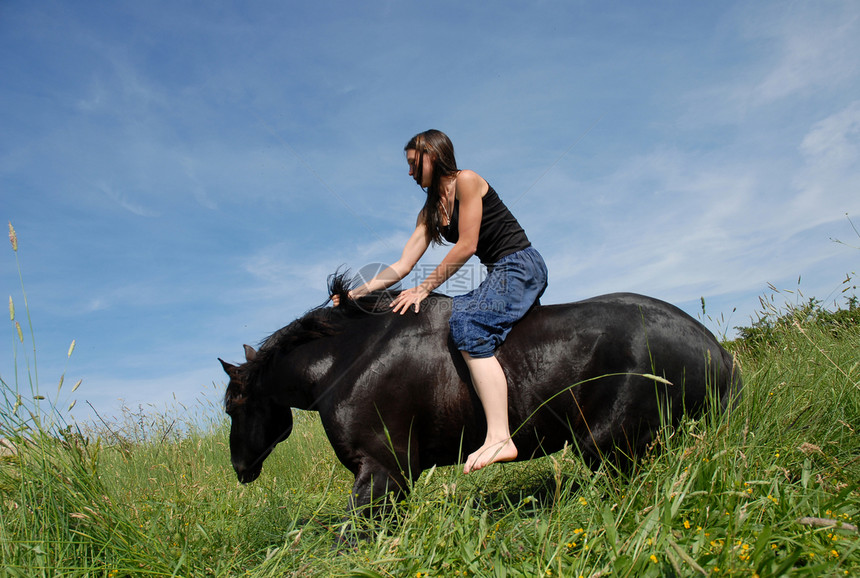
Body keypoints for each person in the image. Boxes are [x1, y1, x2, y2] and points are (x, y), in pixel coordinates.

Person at [335, 129, 548, 473]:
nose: (408, 172)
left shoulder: (467, 181)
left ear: (432, 155)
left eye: (412, 162)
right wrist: (355, 294)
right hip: (498, 272)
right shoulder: (430, 212)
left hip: (520, 264)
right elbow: (403, 265)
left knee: (467, 322)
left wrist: (424, 288)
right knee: (455, 315)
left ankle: (499, 437)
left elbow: (466, 244)